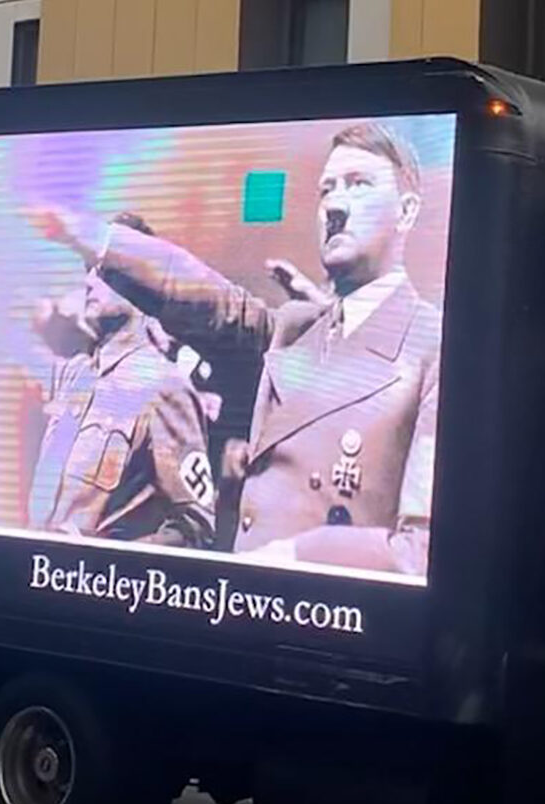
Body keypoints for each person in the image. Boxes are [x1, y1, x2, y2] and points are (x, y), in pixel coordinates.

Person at [31, 122, 439, 577]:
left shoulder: (435, 349)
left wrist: (300, 553)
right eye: (327, 190)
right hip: (246, 612)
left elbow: (425, 550)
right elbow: (207, 297)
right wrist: (92, 238)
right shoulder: (295, 330)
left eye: (359, 185)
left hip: (334, 622)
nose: (336, 206)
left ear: (406, 211)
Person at [27, 215, 218, 548]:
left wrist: (109, 560)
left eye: (102, 272)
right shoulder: (77, 375)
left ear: (142, 280)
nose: (88, 282)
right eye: (87, 269)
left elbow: (195, 528)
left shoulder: (164, 387)